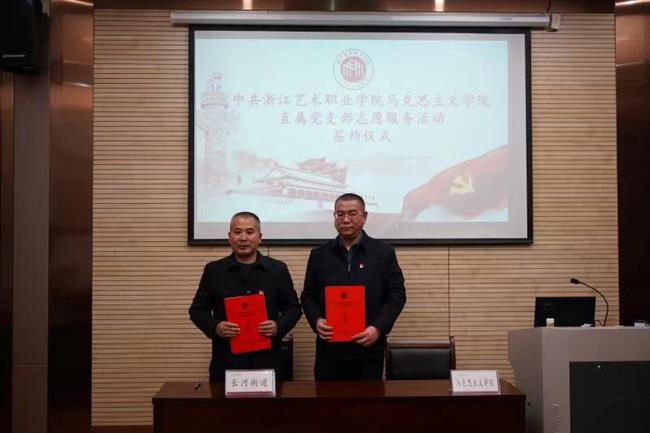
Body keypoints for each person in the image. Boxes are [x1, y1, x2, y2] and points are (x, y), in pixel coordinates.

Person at [301, 193, 407, 380]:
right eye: (340, 214)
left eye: (352, 213)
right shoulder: (319, 255)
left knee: (367, 398)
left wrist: (377, 328)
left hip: (368, 346)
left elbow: (397, 295)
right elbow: (308, 295)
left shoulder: (383, 253)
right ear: (334, 217)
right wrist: (317, 320)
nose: (346, 220)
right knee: (326, 397)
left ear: (364, 217)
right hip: (329, 349)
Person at [189, 211, 302, 381]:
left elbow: (294, 308)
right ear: (229, 237)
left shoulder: (277, 270)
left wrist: (278, 326)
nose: (243, 238)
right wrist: (216, 327)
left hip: (268, 362)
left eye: (249, 232)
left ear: (260, 237)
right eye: (237, 232)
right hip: (226, 363)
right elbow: (197, 310)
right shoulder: (214, 271)